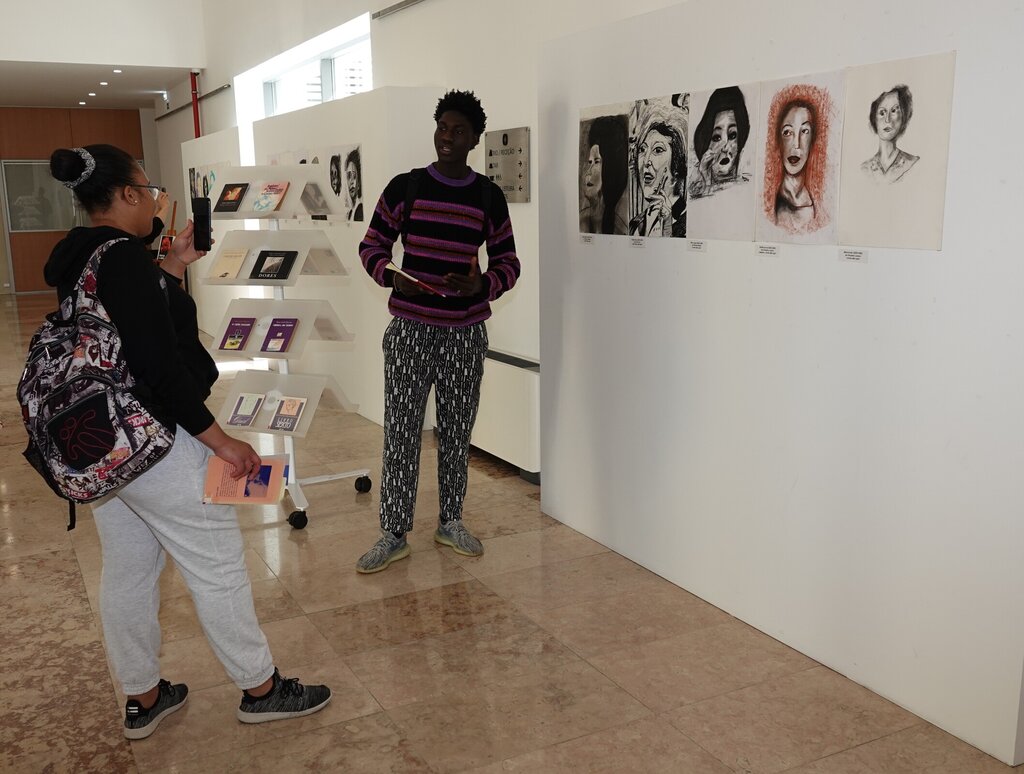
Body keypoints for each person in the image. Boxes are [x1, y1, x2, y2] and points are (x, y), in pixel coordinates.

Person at [45, 144, 331, 740]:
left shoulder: (80, 254)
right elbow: (159, 365)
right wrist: (219, 440)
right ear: (127, 194)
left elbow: (133, 325)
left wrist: (174, 264)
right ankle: (261, 689)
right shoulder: (123, 259)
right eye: (148, 189)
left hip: (104, 446)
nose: (155, 201)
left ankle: (143, 697)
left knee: (128, 572)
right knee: (217, 563)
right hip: (152, 440)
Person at [356, 90, 520, 573]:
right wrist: (393, 276)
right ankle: (393, 533)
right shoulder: (405, 187)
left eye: (458, 131)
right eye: (442, 128)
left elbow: (509, 262)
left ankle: (451, 522)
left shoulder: (488, 196)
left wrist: (482, 284)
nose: (447, 137)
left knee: (455, 432)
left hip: (465, 334)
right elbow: (371, 246)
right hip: (409, 330)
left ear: (474, 140)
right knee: (402, 432)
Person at [629, 100, 687, 237]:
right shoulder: (634, 225)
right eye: (642, 150)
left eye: (658, 150)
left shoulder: (687, 225)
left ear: (677, 165)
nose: (646, 161)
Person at [690, 86, 751, 198]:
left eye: (732, 135)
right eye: (717, 138)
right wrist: (707, 182)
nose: (725, 147)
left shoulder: (748, 186)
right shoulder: (696, 192)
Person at [772, 98, 817, 231]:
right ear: (779, 140)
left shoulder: (811, 204)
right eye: (788, 132)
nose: (796, 144)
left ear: (812, 140)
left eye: (804, 131)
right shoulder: (772, 201)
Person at [579, 115, 628, 235]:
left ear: (609, 169)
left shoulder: (620, 230)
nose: (588, 171)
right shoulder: (581, 221)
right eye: (589, 162)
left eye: (596, 162)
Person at [861, 84, 918, 183]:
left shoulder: (913, 164)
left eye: (894, 111)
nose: (887, 120)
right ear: (874, 119)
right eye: (882, 113)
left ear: (903, 117)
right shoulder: (864, 169)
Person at [345, 148, 363, 221]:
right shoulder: (350, 213)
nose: (351, 182)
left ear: (359, 183)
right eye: (349, 176)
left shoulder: (360, 210)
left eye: (354, 176)